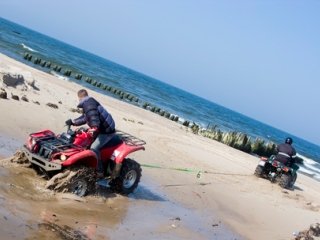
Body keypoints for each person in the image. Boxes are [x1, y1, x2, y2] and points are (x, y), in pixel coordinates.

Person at [65, 89, 117, 179]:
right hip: (102, 127)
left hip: (107, 130)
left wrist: (94, 128)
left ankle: (100, 171)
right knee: (84, 140)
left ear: (80, 98)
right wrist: (73, 122)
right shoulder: (88, 103)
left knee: (94, 148)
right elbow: (86, 117)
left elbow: (94, 118)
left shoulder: (88, 105)